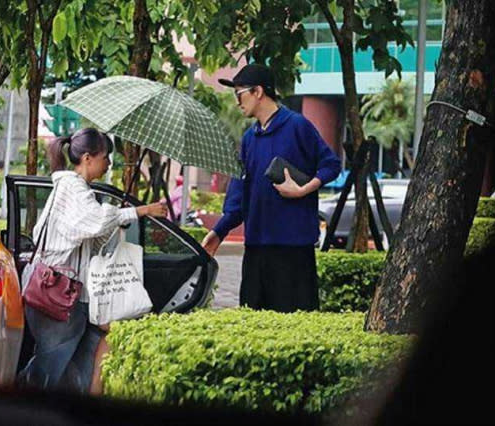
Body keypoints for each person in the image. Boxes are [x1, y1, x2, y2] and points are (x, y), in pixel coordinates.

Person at [18, 128, 167, 394]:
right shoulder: (73, 189)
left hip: (61, 292)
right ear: (87, 158)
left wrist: (114, 219)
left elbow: (91, 237)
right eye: (105, 157)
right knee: (48, 369)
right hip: (57, 294)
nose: (108, 163)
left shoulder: (74, 190)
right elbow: (96, 223)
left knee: (68, 367)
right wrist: (140, 211)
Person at [201, 64, 341, 312]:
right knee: (252, 319)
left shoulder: (298, 126)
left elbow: (330, 165)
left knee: (295, 325)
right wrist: (218, 234)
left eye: (239, 94)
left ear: (258, 92)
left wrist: (304, 189)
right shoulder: (249, 138)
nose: (237, 102)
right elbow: (239, 196)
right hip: (255, 248)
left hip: (294, 249)